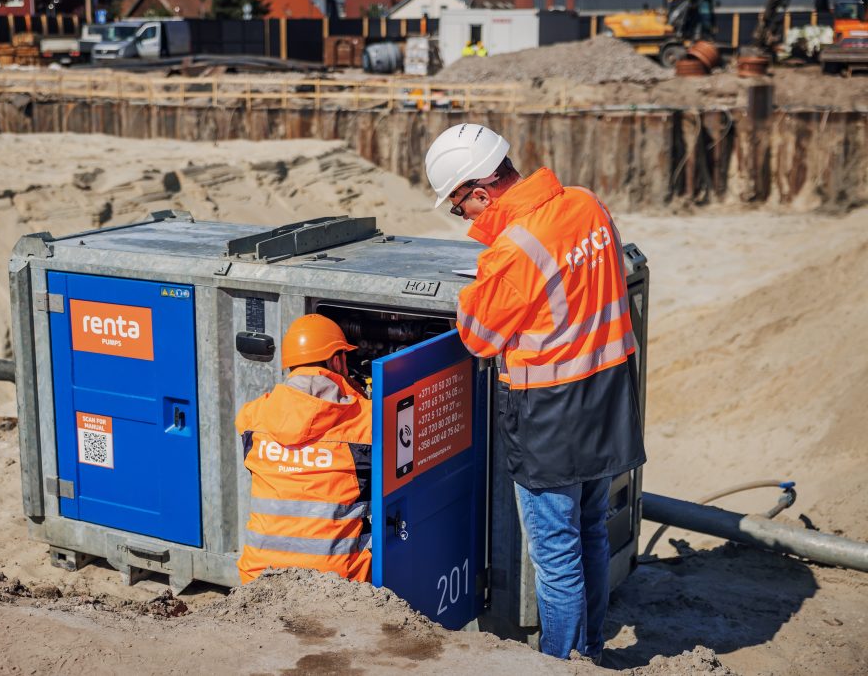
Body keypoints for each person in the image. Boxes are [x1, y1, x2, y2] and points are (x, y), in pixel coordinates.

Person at [424, 124, 646, 663]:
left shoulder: (514, 249)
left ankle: (563, 663)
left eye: (459, 205)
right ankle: (590, 652)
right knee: (591, 530)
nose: (464, 216)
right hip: (608, 393)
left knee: (556, 556)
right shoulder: (587, 203)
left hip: (551, 412)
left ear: (481, 191)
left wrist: (476, 288)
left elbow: (479, 337)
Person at [235, 314, 373, 584]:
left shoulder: (251, 418)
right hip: (336, 583)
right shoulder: (368, 422)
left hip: (259, 578)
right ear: (337, 361)